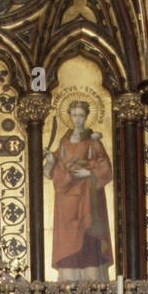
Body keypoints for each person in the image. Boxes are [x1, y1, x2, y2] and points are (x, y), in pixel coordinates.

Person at [45, 100, 113, 281]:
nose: (77, 119)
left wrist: (89, 172)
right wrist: (51, 161)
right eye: (74, 115)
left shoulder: (93, 141)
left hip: (88, 195)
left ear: (86, 117)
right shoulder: (64, 141)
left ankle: (92, 281)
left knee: (88, 234)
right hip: (67, 200)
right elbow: (55, 170)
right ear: (70, 116)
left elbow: (106, 168)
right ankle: (69, 281)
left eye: (81, 115)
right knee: (69, 238)